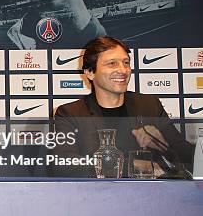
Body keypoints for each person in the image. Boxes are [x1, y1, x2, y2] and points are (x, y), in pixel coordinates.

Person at [52, 36, 193, 177]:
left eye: (126, 63)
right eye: (112, 63)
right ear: (90, 72)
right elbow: (64, 165)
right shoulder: (70, 113)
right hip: (94, 196)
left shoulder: (149, 105)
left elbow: (183, 153)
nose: (123, 70)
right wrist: (138, 166)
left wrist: (163, 144)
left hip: (148, 195)